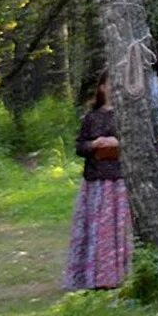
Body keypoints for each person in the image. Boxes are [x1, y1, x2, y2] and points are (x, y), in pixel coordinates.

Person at [63, 70, 134, 290]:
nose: (114, 89)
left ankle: (116, 274)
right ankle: (92, 275)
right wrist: (94, 144)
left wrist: (117, 142)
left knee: (116, 228)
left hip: (118, 178)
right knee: (95, 227)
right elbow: (79, 147)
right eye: (110, 84)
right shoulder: (91, 117)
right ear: (102, 87)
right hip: (95, 180)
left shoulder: (128, 114)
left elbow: (135, 144)